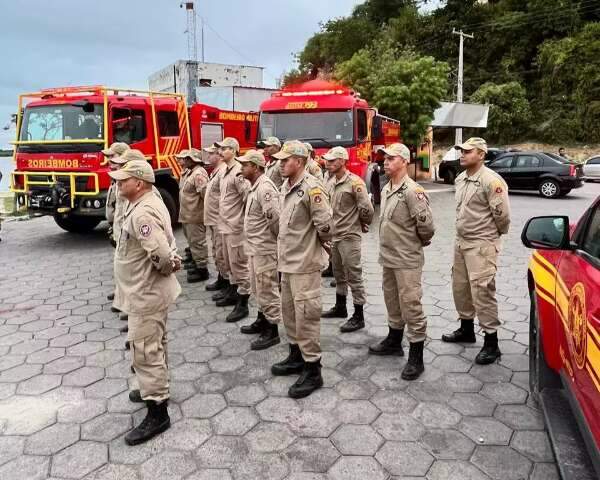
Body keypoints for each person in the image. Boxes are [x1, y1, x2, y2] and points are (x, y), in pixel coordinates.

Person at [109, 156, 181, 445]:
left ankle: (157, 411)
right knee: (156, 343)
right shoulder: (146, 201)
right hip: (147, 290)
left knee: (145, 349)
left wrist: (165, 269)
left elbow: (163, 256)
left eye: (123, 180)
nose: (117, 183)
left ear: (138, 183)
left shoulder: (142, 213)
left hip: (146, 292)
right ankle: (156, 388)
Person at [271, 141, 333, 398]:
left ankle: (313, 369)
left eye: (285, 160)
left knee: (306, 316)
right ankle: (296, 355)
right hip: (287, 263)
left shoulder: (312, 188)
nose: (281, 163)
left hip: (305, 265)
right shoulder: (287, 186)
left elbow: (326, 225)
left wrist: (315, 248)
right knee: (290, 313)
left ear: (299, 160)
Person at [441, 137, 510, 365]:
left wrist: (491, 238)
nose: (462, 154)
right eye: (461, 151)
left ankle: (492, 343)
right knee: (460, 287)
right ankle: (466, 329)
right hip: (461, 242)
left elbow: (502, 217)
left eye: (468, 151)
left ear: (481, 154)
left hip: (482, 244)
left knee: (482, 291)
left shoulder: (491, 181)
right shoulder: (461, 178)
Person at [369, 143, 434, 381]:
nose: (385, 162)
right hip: (388, 257)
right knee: (392, 300)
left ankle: (416, 356)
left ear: (404, 161)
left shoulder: (412, 191)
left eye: (391, 159)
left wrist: (417, 244)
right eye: (384, 159)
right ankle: (394, 340)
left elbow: (426, 226)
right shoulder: (388, 188)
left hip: (407, 259)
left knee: (411, 304)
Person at [321, 146, 374, 332]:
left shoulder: (355, 182)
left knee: (354, 275)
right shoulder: (329, 181)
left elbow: (366, 208)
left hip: (349, 236)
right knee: (338, 273)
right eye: (327, 160)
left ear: (342, 161)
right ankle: (340, 307)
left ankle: (358, 316)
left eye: (332, 160)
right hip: (335, 236)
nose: (328, 163)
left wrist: (363, 224)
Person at [238, 149, 282, 350]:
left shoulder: (265, 188)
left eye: (245, 165)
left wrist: (273, 244)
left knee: (267, 289)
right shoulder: (255, 186)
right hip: (255, 247)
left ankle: (272, 330)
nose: (241, 168)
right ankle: (262, 319)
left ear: (255, 167)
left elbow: (275, 221)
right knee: (258, 288)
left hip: (264, 248)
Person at [215, 137, 251, 322]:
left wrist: (242, 221)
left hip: (235, 227)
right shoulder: (225, 170)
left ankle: (243, 303)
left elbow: (248, 198)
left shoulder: (238, 172)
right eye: (220, 149)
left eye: (225, 148)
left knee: (239, 265)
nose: (220, 152)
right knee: (229, 263)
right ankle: (234, 292)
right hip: (224, 225)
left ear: (234, 150)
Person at [103, 142, 131, 324]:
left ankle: (130, 305)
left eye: (112, 157)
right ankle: (121, 294)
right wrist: (112, 225)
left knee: (128, 269)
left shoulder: (129, 179)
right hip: (118, 228)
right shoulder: (117, 178)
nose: (108, 161)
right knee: (120, 266)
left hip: (126, 231)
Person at [176, 148, 209, 283]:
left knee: (198, 243)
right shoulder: (191, 172)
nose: (185, 160)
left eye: (188, 158)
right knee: (193, 243)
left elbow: (205, 195)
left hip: (195, 215)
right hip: (188, 215)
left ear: (195, 160)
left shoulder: (199, 174)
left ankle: (202, 270)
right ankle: (197, 264)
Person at [203, 145, 230, 294]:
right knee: (216, 252)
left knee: (222, 253)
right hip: (213, 220)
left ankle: (227, 284)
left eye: (211, 154)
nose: (208, 157)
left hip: (219, 220)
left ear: (219, 156)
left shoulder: (223, 172)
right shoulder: (216, 172)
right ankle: (222, 277)